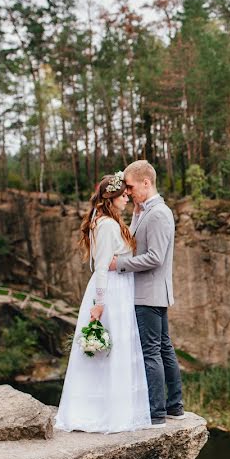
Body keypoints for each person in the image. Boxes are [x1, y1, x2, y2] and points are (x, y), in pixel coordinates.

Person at [55, 172, 153, 433]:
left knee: (115, 350)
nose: (127, 199)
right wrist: (99, 303)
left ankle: (114, 410)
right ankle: (107, 414)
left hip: (119, 287)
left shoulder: (108, 220)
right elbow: (100, 267)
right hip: (111, 291)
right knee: (110, 350)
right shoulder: (107, 224)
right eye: (123, 195)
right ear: (111, 198)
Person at [110, 160, 185, 425]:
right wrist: (135, 213)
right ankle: (174, 405)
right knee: (163, 348)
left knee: (151, 351)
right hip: (151, 292)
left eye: (130, 187)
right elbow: (134, 240)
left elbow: (155, 257)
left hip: (148, 292)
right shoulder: (145, 212)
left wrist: (118, 265)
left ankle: (157, 412)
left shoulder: (159, 213)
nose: (128, 192)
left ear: (146, 182)